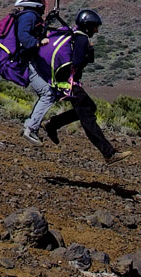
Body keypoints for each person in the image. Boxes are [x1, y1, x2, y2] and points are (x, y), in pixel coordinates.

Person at [38, 9, 130, 163]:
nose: (96, 30)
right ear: (88, 26)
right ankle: (108, 153)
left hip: (65, 82)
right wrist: (89, 52)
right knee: (88, 115)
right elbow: (78, 61)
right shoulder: (81, 38)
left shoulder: (74, 33)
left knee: (89, 108)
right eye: (95, 27)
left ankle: (52, 124)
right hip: (70, 83)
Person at [7, 0, 58, 146]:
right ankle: (31, 128)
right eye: (42, 0)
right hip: (27, 62)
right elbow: (23, 36)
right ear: (34, 1)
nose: (44, 2)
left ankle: (30, 125)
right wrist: (37, 43)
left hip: (30, 61)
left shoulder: (31, 16)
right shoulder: (28, 16)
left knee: (49, 92)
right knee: (48, 94)